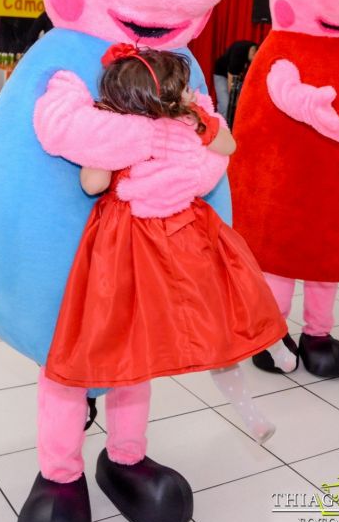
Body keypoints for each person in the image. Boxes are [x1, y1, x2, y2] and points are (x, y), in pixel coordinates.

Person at [44, 43, 296, 445]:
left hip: (131, 241)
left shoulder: (124, 133)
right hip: (182, 230)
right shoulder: (188, 122)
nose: (189, 94)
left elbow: (92, 184)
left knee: (128, 327)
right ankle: (262, 373)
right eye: (181, 89)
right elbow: (228, 145)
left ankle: (93, 412)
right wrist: (198, 119)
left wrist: (102, 145)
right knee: (218, 308)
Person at [213, 40, 258, 119]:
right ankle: (220, 127)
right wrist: (235, 99)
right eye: (254, 59)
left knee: (239, 105)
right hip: (221, 74)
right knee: (225, 104)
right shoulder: (238, 53)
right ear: (252, 52)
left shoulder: (255, 48)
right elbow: (231, 81)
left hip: (237, 77)